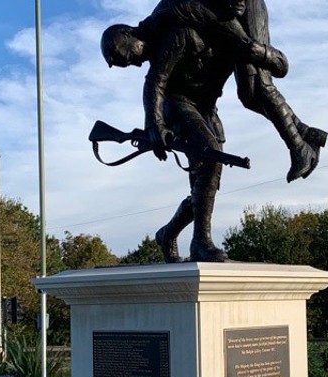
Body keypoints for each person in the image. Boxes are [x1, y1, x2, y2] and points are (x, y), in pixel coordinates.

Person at [101, 10, 287, 262]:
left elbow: (157, 80)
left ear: (128, 35)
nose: (134, 63)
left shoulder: (190, 27)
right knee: (211, 160)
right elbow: (155, 82)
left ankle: (168, 234)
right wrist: (155, 125)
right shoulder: (173, 32)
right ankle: (200, 243)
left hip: (205, 109)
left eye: (128, 57)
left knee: (204, 186)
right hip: (178, 107)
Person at [133, 0, 327, 183]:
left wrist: (260, 52)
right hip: (225, 18)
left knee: (258, 85)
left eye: (126, 58)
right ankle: (307, 134)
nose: (134, 63)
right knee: (249, 95)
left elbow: (227, 11)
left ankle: (300, 148)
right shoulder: (163, 23)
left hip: (240, 14)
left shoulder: (167, 13)